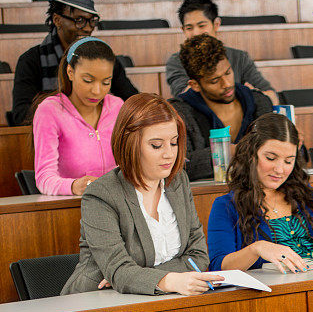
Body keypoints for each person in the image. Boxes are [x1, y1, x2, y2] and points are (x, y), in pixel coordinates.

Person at [62, 93, 221, 296]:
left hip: (159, 299)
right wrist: (164, 280)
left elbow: (198, 255)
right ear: (130, 144)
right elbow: (118, 269)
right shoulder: (100, 195)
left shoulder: (178, 180)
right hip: (97, 302)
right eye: (156, 145)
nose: (169, 153)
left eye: (173, 142)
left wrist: (142, 279)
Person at [207, 113, 313, 272]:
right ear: (250, 155)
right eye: (270, 158)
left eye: (288, 161)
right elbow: (218, 266)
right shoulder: (226, 206)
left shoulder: (307, 197)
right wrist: (256, 249)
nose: (279, 169)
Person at [11, 0, 137, 126]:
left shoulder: (105, 60)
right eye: (79, 20)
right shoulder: (31, 61)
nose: (88, 28)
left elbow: (132, 101)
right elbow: (21, 116)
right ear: (57, 20)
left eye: (92, 20)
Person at [170, 34, 274, 181]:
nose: (226, 84)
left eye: (228, 73)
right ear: (195, 85)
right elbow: (180, 165)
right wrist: (228, 152)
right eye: (214, 80)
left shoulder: (258, 101)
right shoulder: (179, 113)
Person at [32, 37, 123, 196]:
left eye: (106, 82)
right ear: (70, 72)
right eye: (88, 80)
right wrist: (74, 186)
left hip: (117, 202)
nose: (97, 91)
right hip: (73, 206)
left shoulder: (117, 106)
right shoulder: (50, 111)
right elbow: (44, 178)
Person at [164, 0, 279, 104]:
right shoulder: (176, 61)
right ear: (183, 30)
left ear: (216, 24)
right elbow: (184, 98)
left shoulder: (239, 57)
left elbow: (272, 96)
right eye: (189, 28)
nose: (196, 33)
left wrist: (255, 95)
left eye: (201, 26)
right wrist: (245, 95)